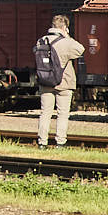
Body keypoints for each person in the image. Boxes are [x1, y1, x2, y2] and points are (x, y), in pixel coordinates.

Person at [34, 13, 86, 148]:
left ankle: (42, 142)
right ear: (65, 27)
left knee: (45, 112)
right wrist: (67, 36)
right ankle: (60, 142)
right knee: (62, 114)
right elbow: (81, 50)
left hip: (45, 82)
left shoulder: (41, 41)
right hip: (64, 83)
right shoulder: (66, 42)